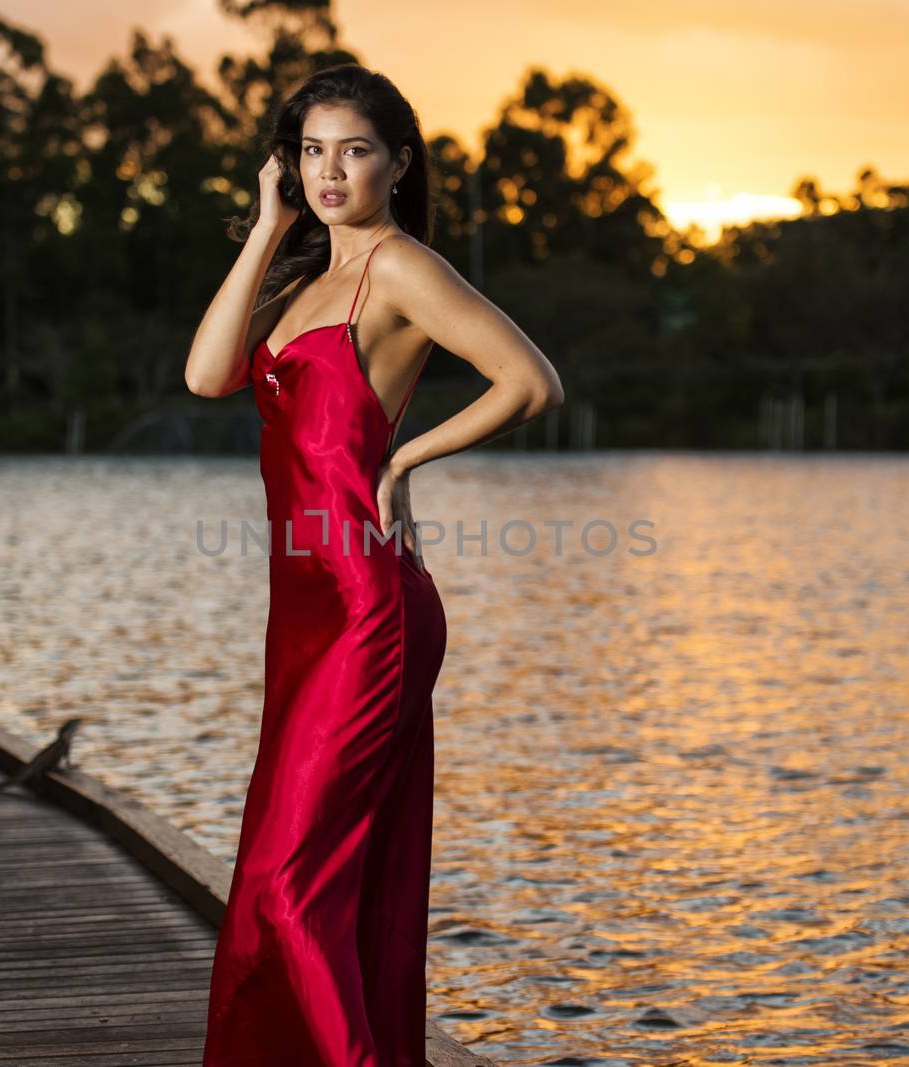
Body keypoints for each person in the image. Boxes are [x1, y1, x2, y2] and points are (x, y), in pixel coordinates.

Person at [184, 62, 563, 1066]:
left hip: (367, 608)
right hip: (302, 611)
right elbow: (207, 372)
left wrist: (406, 455)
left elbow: (531, 379)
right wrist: (266, 225)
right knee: (298, 880)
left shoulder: (398, 266)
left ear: (397, 163)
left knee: (290, 885)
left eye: (353, 150)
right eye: (310, 151)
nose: (330, 171)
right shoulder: (306, 275)